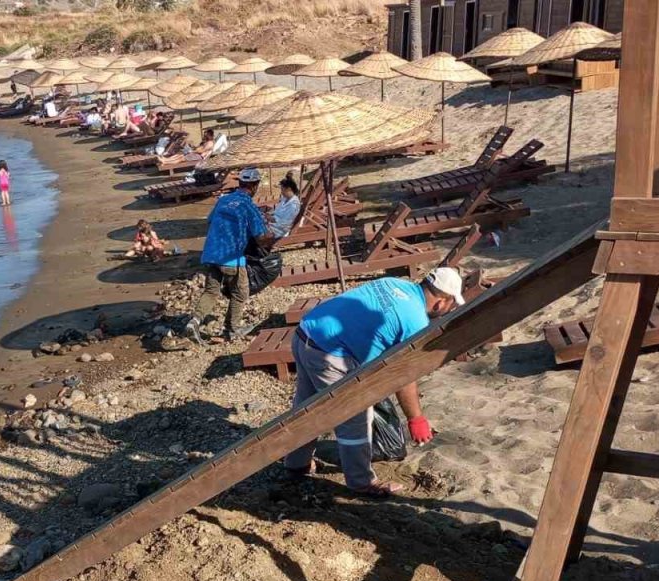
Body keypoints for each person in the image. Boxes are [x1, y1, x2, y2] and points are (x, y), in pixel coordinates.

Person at [283, 268, 465, 496]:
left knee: (307, 407)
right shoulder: (416, 321)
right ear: (441, 303)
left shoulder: (394, 283)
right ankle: (361, 482)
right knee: (354, 417)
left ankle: (296, 463)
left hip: (305, 333)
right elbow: (404, 377)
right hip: (328, 352)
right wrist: (415, 419)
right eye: (451, 305)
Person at [186, 167, 273, 342]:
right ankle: (232, 329)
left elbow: (211, 221)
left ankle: (194, 321)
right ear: (254, 186)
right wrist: (273, 235)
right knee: (240, 293)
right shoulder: (249, 206)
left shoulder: (223, 200)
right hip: (231, 258)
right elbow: (261, 238)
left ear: (240, 183)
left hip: (211, 253)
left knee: (211, 291)